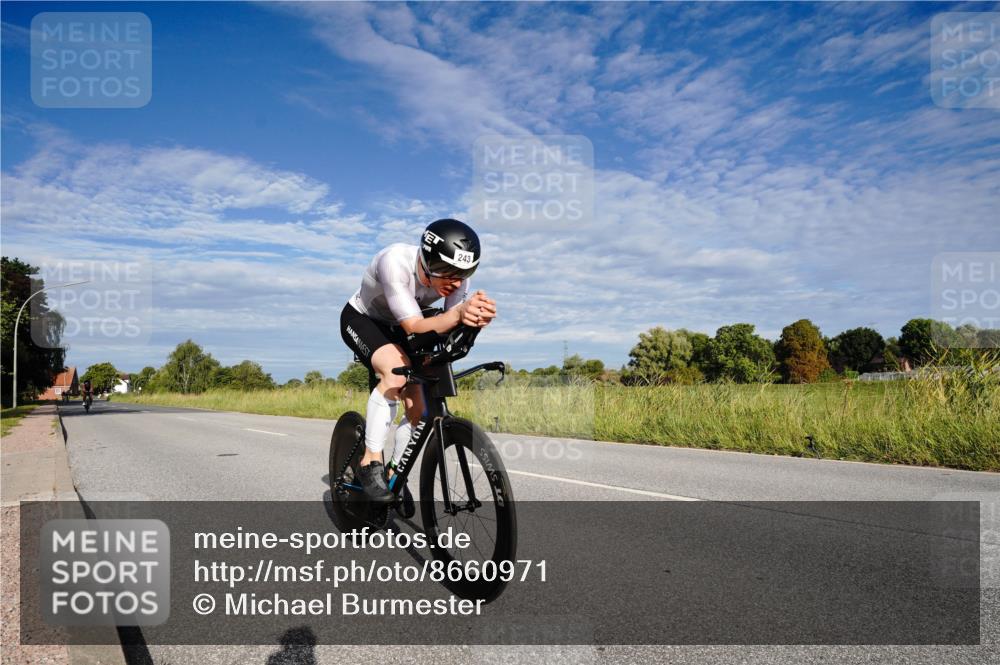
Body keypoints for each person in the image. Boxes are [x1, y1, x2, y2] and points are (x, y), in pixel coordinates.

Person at [339, 218, 496, 508]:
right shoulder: (394, 262)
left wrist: (475, 320)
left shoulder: (457, 280)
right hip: (365, 320)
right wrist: (460, 314)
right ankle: (370, 461)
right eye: (449, 272)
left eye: (466, 272)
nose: (457, 281)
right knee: (395, 375)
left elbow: (447, 325)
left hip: (408, 322)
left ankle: (393, 474)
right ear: (427, 261)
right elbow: (413, 326)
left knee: (419, 406)